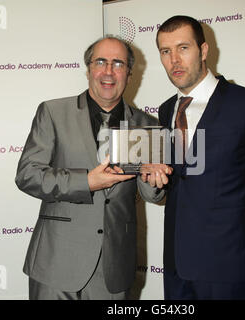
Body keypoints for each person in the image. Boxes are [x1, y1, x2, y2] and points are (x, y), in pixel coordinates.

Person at [15, 36, 170, 300]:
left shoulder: (147, 125)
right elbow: (27, 175)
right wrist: (86, 182)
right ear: (88, 69)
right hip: (57, 263)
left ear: (129, 74)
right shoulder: (53, 112)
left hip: (113, 269)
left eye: (118, 64)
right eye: (101, 62)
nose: (108, 71)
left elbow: (152, 194)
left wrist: (153, 181)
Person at [156, 15, 245, 300]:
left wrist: (238, 228)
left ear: (203, 51)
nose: (174, 61)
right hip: (176, 263)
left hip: (228, 263)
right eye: (165, 52)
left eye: (183, 48)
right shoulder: (167, 110)